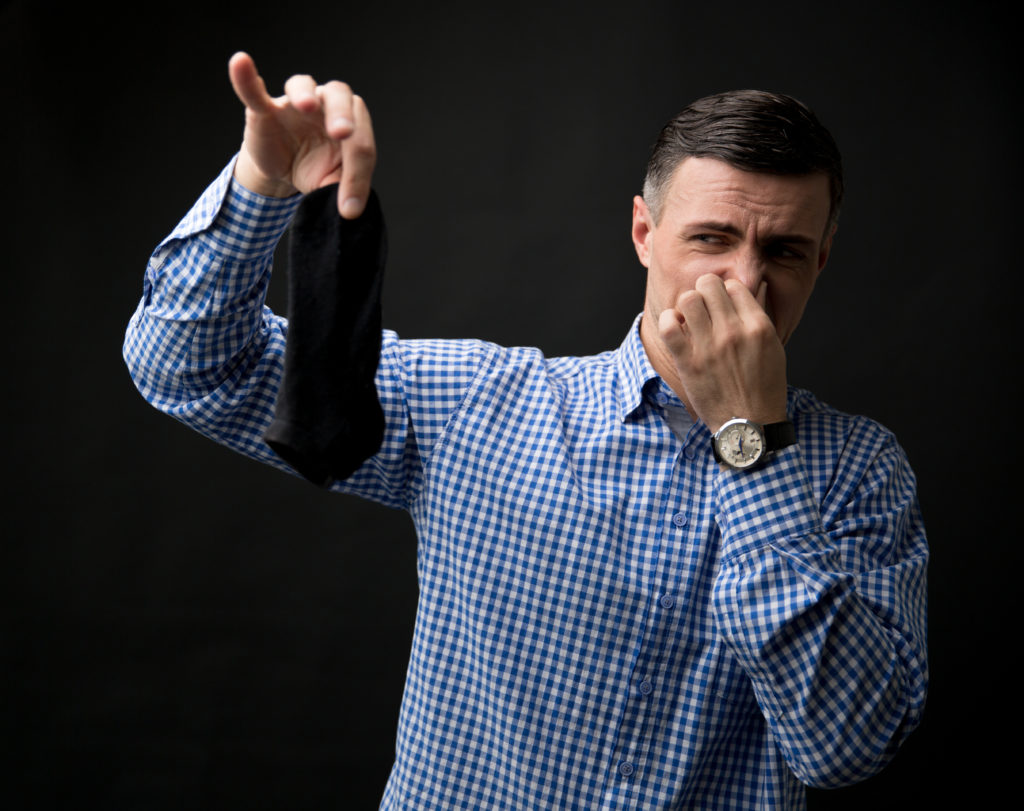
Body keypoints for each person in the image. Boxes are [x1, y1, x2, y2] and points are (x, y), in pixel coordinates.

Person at [124, 51, 928, 810]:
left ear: (819, 262)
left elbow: (845, 747)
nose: (747, 282)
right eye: (712, 238)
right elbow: (186, 368)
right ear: (645, 234)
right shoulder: (481, 404)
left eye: (784, 250)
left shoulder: (859, 471)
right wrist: (261, 187)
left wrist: (751, 442)